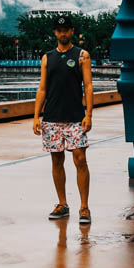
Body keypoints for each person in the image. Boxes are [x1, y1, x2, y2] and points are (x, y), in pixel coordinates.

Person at [33, 15, 93, 224]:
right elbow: (42, 89)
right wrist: (36, 116)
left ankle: (84, 207)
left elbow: (88, 86)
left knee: (80, 159)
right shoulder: (47, 58)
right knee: (57, 160)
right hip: (51, 118)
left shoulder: (82, 55)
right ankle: (62, 204)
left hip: (75, 118)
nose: (63, 33)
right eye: (59, 30)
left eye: (66, 29)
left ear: (71, 31)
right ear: (55, 33)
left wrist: (89, 114)